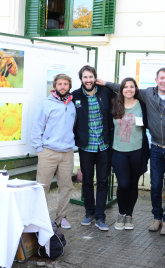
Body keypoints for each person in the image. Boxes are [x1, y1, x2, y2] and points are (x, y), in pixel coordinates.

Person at [99, 67, 165, 236]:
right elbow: (124, 87)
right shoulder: (148, 94)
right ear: (156, 80)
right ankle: (156, 218)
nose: (164, 81)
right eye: (161, 78)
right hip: (155, 148)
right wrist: (106, 83)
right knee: (155, 186)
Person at [72, 65, 117, 231]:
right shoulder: (75, 96)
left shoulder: (105, 92)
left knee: (103, 181)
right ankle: (89, 213)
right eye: (85, 77)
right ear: (81, 79)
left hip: (104, 145)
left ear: (95, 78)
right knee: (88, 181)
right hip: (86, 146)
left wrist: (107, 83)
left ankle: (100, 216)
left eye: (91, 77)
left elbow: (123, 95)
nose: (88, 80)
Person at [31, 73, 76, 229]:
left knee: (66, 186)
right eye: (60, 84)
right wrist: (39, 149)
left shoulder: (72, 105)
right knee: (42, 186)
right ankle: (40, 218)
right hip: (48, 151)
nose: (63, 87)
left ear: (69, 86)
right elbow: (37, 127)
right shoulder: (46, 104)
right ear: (55, 86)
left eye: (65, 84)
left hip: (67, 153)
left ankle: (62, 217)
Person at [111, 78, 150, 230]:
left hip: (137, 151)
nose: (128, 89)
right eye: (125, 87)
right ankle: (121, 213)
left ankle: (129, 215)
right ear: (121, 89)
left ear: (135, 89)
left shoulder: (142, 105)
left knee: (133, 184)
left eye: (131, 87)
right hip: (118, 151)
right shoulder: (115, 104)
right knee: (123, 184)